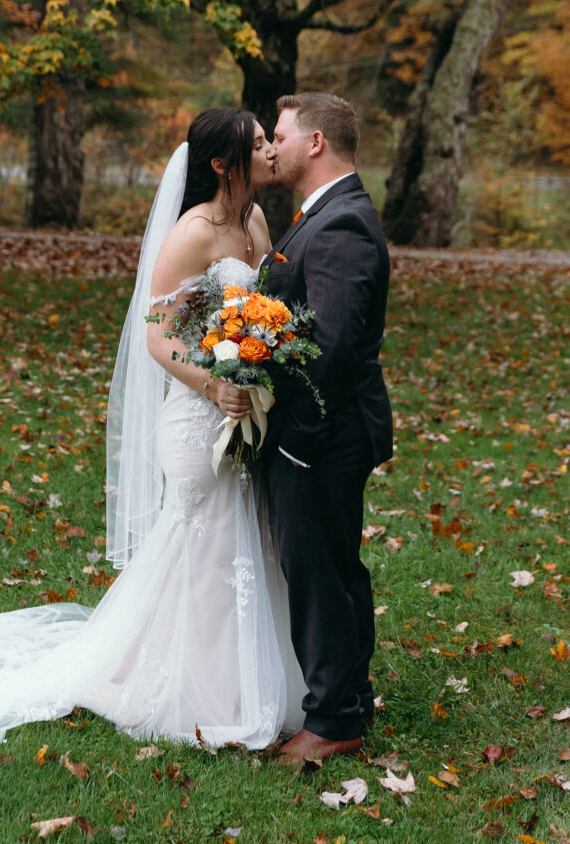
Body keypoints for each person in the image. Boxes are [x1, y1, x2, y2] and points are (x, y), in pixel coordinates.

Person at [0, 107, 306, 776]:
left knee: (246, 538)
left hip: (243, 405)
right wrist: (213, 386)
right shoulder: (192, 233)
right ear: (223, 164)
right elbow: (158, 335)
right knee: (201, 541)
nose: (269, 150)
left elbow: (262, 313)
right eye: (257, 145)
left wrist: (258, 366)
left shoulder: (255, 222)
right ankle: (181, 684)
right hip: (198, 414)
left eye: (268, 140)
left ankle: (245, 676)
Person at [261, 92, 393, 763]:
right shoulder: (322, 215)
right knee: (329, 568)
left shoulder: (339, 225)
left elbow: (332, 348)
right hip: (317, 428)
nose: (270, 147)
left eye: (279, 135)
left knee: (321, 572)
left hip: (321, 434)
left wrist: (296, 438)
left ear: (314, 142)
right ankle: (343, 701)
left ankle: (335, 722)